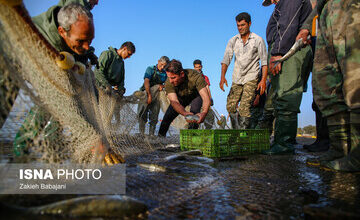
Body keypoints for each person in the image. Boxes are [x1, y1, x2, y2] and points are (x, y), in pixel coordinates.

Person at [13, 3, 95, 157]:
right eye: (81, 41)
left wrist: (80, 60)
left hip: (54, 62)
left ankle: (52, 149)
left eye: (90, 41)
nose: (86, 46)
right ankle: (19, 152)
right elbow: (62, 102)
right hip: (12, 55)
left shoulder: (82, 17)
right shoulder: (47, 38)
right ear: (62, 31)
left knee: (50, 106)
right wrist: (90, 137)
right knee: (51, 101)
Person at [297, 0, 360, 172]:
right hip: (325, 12)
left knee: (355, 78)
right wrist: (306, 25)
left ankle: (357, 152)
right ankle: (340, 148)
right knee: (325, 82)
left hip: (350, 7)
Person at [261, 0, 313, 155]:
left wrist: (277, 53)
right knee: (281, 97)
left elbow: (287, 25)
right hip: (286, 49)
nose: (273, 2)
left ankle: (283, 144)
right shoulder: (282, 3)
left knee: (286, 96)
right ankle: (281, 142)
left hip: (288, 50)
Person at [220, 12, 268, 129]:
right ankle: (236, 131)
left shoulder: (258, 40)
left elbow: (264, 62)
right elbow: (226, 59)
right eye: (238, 25)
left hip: (251, 77)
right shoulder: (233, 40)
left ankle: (243, 135)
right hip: (237, 77)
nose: (240, 28)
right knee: (230, 105)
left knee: (245, 107)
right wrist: (222, 77)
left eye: (242, 25)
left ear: (249, 24)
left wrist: (263, 81)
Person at [158, 59, 211, 137]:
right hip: (181, 97)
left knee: (194, 116)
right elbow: (174, 102)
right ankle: (160, 138)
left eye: (173, 78)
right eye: (169, 77)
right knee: (167, 118)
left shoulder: (195, 76)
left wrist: (204, 112)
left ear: (182, 74)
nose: (171, 81)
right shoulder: (169, 82)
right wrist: (185, 113)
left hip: (195, 95)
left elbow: (206, 97)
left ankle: (191, 138)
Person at [94, 41, 135, 126]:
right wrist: (106, 85)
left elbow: (121, 79)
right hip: (96, 87)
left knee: (108, 114)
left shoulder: (121, 62)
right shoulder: (107, 54)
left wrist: (121, 89)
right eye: (128, 54)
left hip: (108, 92)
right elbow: (98, 71)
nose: (129, 57)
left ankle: (106, 132)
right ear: (124, 49)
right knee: (97, 113)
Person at [137, 56, 169, 136]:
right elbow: (146, 81)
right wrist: (149, 95)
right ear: (158, 61)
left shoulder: (165, 73)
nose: (162, 67)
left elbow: (168, 84)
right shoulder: (150, 69)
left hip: (157, 97)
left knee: (154, 116)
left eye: (164, 66)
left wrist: (162, 86)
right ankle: (141, 134)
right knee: (142, 115)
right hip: (146, 94)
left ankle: (151, 135)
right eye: (161, 65)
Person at [193, 59, 215, 129]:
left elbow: (207, 88)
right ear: (194, 68)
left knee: (209, 116)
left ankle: (207, 131)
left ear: (201, 67)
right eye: (196, 67)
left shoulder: (205, 77)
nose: (198, 69)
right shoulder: (192, 77)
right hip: (194, 99)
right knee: (194, 117)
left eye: (199, 67)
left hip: (204, 99)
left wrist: (210, 98)